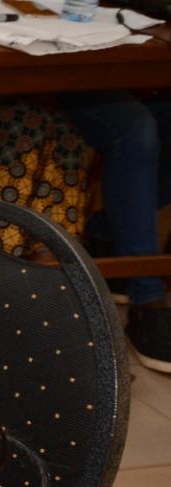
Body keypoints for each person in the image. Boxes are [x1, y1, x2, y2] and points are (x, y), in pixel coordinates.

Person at [60, 91, 171, 373]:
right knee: (135, 128)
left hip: (127, 69)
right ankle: (148, 301)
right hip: (55, 74)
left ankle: (107, 237)